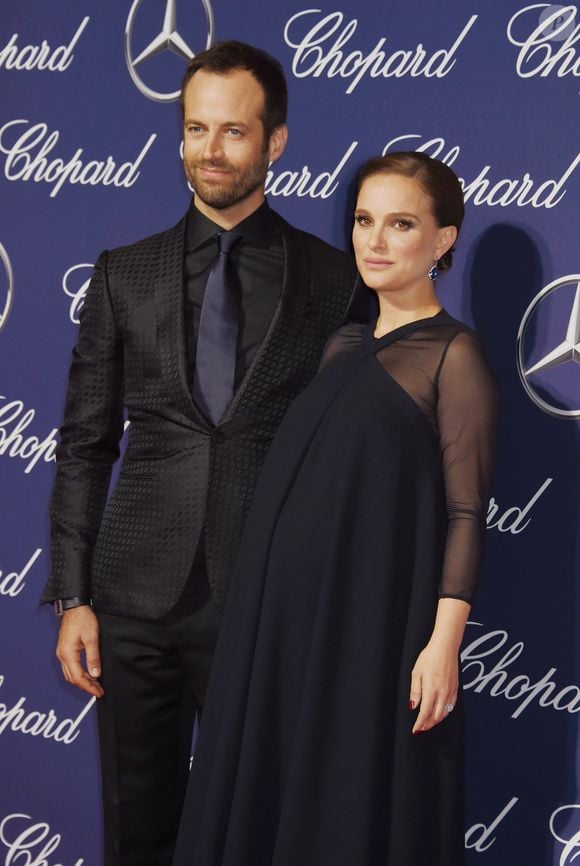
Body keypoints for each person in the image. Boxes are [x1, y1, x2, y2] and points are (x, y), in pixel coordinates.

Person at [41, 41, 358, 866]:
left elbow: (350, 454)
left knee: (262, 828)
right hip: (134, 598)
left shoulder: (332, 280)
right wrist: (74, 594)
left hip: (263, 597)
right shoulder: (123, 274)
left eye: (232, 132)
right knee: (137, 830)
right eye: (194, 129)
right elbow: (83, 444)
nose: (209, 151)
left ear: (275, 143)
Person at [172, 152, 499, 866]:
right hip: (281, 622)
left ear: (443, 240)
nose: (375, 241)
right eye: (363, 221)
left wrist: (443, 644)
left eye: (401, 223)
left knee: (347, 803)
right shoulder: (342, 343)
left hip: (373, 629)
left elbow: (466, 513)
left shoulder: (454, 355)